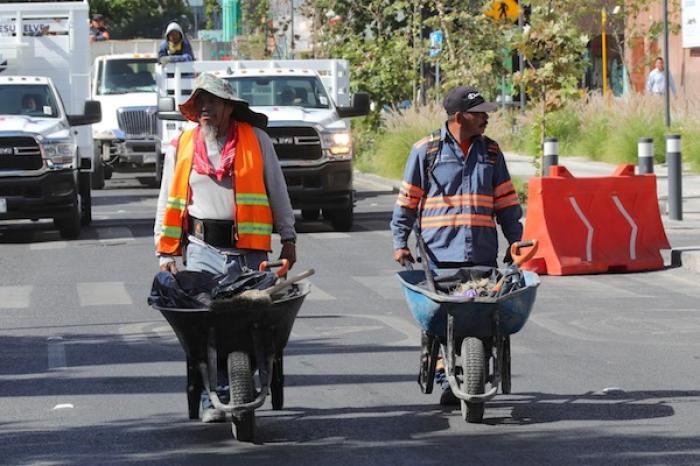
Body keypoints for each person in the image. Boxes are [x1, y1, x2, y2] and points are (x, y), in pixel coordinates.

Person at [154, 73, 297, 422]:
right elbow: (167, 199)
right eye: (199, 102)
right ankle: (209, 393)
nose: (205, 108)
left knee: (250, 320)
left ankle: (251, 374)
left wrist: (288, 239)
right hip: (203, 248)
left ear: (229, 107)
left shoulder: (257, 141)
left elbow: (277, 191)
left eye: (212, 102)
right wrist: (166, 250)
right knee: (207, 321)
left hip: (250, 253)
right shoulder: (182, 146)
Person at [390, 85, 523, 405]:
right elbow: (408, 200)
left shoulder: (491, 152)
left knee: (483, 318)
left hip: (481, 253)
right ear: (460, 116)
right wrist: (400, 241)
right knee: (439, 323)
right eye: (480, 113)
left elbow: (505, 202)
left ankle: (478, 365)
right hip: (439, 254)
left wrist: (515, 240)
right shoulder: (426, 150)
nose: (487, 118)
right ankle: (441, 372)